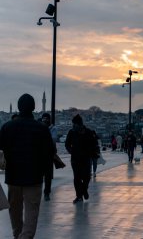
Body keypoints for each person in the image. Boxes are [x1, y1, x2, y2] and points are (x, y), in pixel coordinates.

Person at [0, 93, 54, 239]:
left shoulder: (7, 127)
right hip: (34, 177)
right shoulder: (42, 129)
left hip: (13, 176)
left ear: (18, 107)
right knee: (32, 212)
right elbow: (50, 152)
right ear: (34, 107)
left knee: (15, 210)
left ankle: (17, 234)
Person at [65, 114, 98, 203]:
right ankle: (79, 196)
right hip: (75, 159)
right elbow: (67, 144)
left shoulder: (89, 132)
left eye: (74, 124)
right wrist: (71, 151)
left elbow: (94, 144)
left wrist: (94, 154)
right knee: (77, 178)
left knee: (86, 177)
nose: (73, 126)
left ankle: (84, 190)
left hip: (86, 158)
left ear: (79, 124)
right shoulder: (71, 132)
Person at [41, 112, 57, 201]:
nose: (46, 120)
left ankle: (47, 192)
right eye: (44, 119)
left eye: (47, 119)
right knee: (40, 175)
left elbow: (53, 140)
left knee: (48, 176)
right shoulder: (39, 127)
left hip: (48, 154)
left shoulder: (53, 128)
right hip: (40, 155)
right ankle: (41, 192)